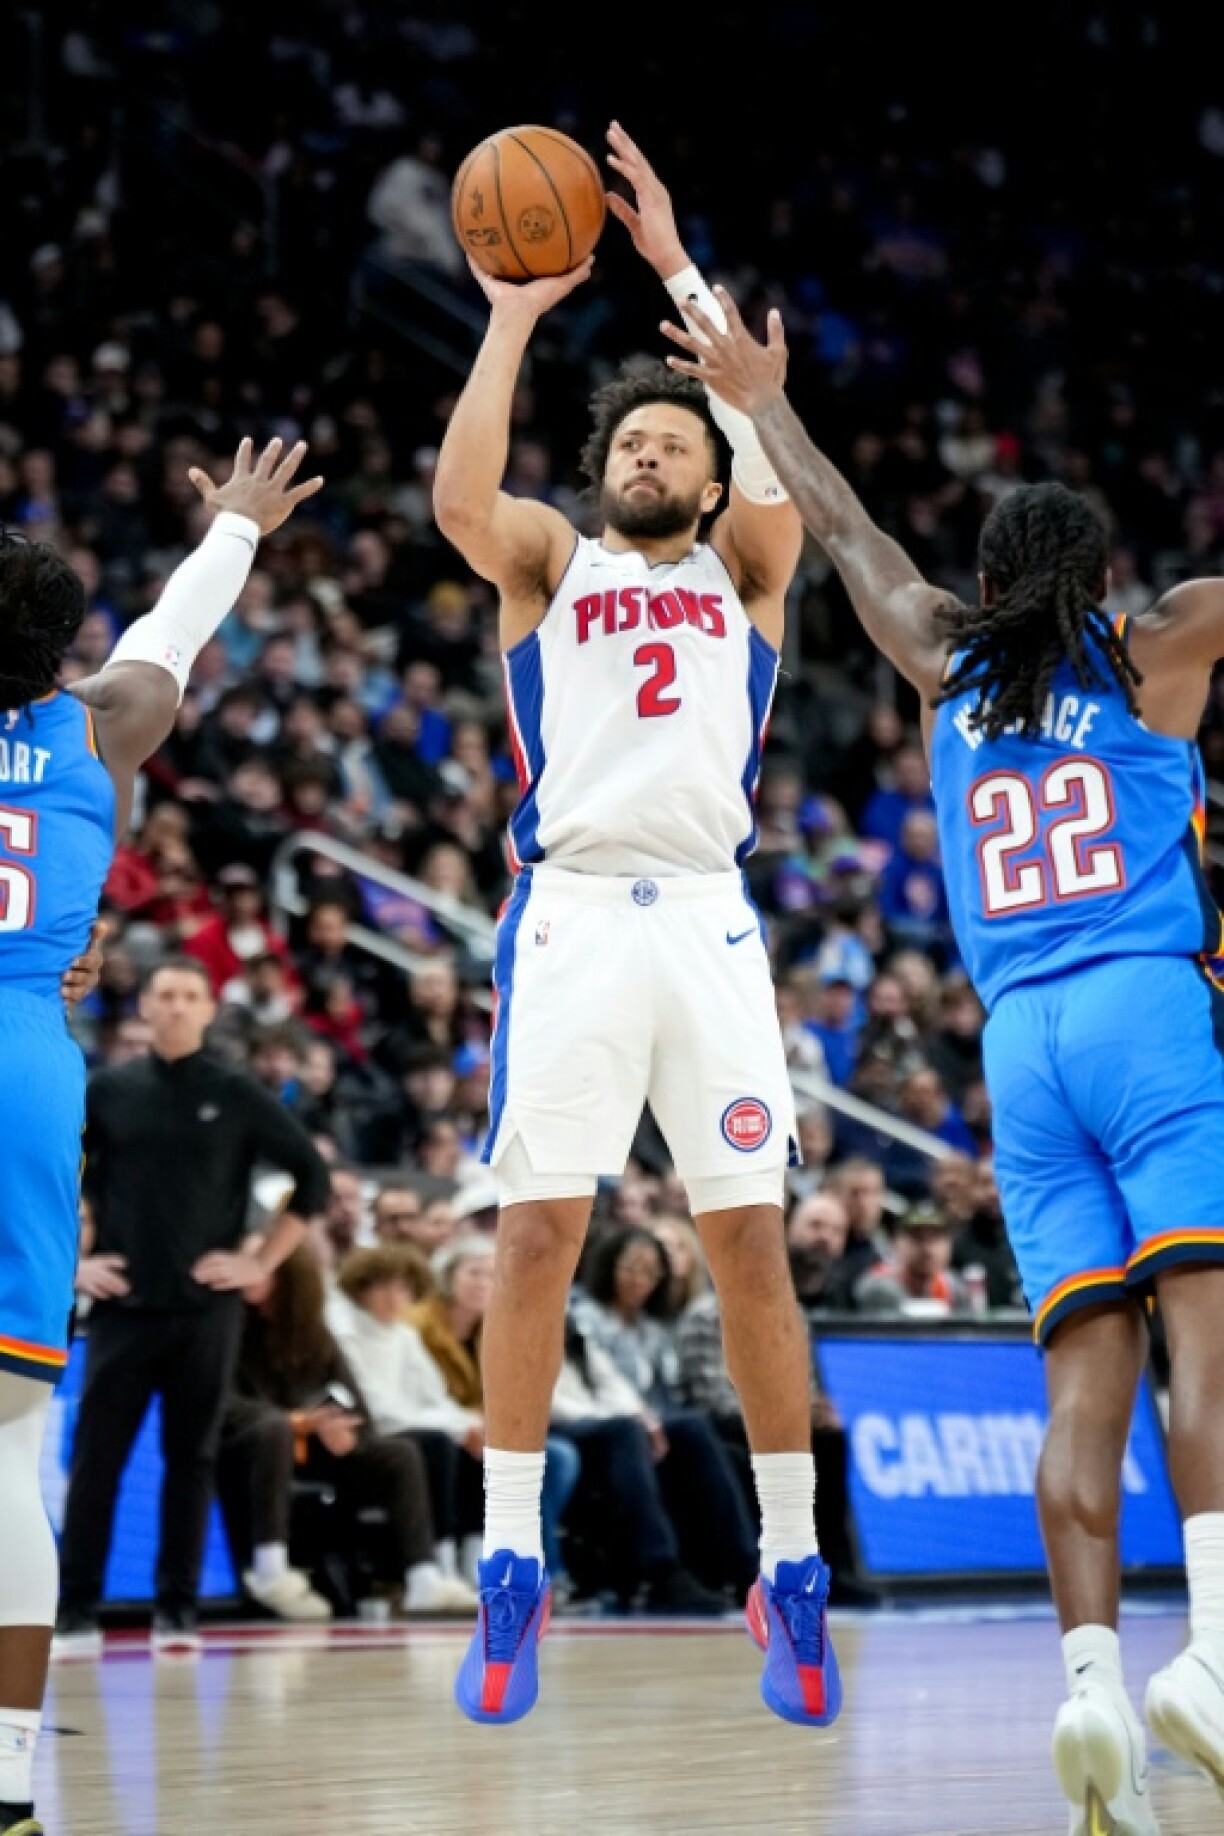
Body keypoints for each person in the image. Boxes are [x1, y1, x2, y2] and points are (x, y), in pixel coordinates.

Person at [662, 287, 1224, 1832]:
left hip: (1017, 1051)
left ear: (985, 584)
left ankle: (1094, 1687)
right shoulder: (1159, 646)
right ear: (1103, 581)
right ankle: (1219, 1664)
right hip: (1143, 1008)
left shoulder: (940, 665)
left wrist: (758, 402)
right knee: (1210, 1345)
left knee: (1081, 1387)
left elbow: (848, 537)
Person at [432, 120, 839, 1729]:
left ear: (716, 473)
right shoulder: (555, 559)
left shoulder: (751, 560)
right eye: (639, 443)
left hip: (715, 930)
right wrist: (514, 311)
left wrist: (679, 270)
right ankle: (508, 1561)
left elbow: (791, 462)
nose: (654, 453)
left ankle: (789, 1566)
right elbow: (465, 494)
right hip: (575, 918)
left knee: (749, 1245)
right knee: (540, 1233)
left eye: (681, 440)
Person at [0, 435, 320, 1836]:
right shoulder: (103, 720)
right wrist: (239, 524)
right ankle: (9, 1782)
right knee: (8, 1455)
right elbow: (173, 628)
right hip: (27, 1069)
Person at [54, 956, 333, 1656]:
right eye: (164, 996)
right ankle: (76, 1613)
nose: (176, 1007)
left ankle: (177, 1614)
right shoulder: (109, 1090)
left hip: (206, 1311)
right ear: (144, 1008)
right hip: (122, 1305)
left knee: (193, 1459)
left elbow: (313, 1178)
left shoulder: (236, 1093)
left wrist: (259, 1261)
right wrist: (74, 1266)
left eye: (188, 996)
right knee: (96, 1460)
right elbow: (54, 1178)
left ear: (209, 1009)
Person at [219, 1243, 477, 1619]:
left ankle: (423, 1578)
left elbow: (357, 1407)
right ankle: (269, 1569)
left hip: (310, 1448)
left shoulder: (313, 1334)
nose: (249, 1270)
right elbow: (222, 1404)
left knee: (399, 1453)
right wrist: (298, 1422)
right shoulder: (227, 1324)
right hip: (246, 1447)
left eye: (264, 1266)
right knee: (274, 1428)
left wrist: (345, 1431)